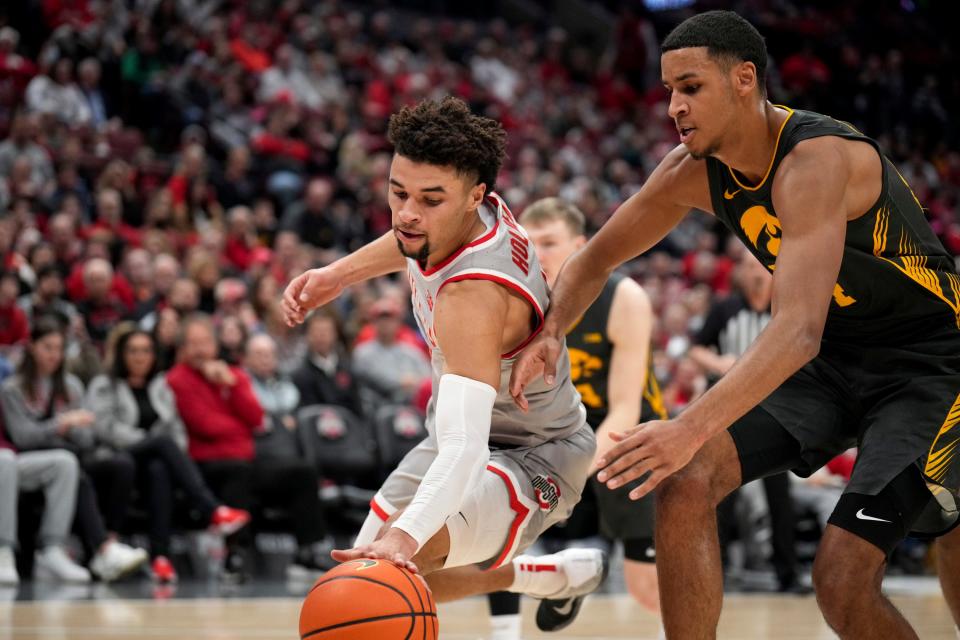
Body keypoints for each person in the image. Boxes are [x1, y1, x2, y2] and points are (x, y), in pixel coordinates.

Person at [510, 11, 960, 639]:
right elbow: (594, 258)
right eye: (668, 90)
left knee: (844, 577)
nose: (673, 107)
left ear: (744, 78)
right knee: (685, 478)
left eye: (690, 88)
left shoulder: (815, 160)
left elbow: (797, 330)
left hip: (930, 367)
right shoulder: (690, 170)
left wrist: (688, 427)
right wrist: (553, 328)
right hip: (834, 361)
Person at [282, 97, 606, 629]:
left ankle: (544, 572)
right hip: (457, 433)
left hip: (537, 454)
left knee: (387, 577)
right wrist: (337, 276)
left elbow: (466, 450)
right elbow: (411, 238)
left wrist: (407, 541)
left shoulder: (472, 296)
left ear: (474, 195)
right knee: (360, 572)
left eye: (430, 199)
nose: (408, 211)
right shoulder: (461, 217)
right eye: (398, 191)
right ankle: (550, 576)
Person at [484, 197, 666, 637]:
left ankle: (672, 627)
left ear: (582, 246)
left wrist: (569, 469)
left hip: (628, 440)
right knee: (491, 511)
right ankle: (507, 629)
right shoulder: (514, 305)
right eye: (530, 242)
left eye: (550, 242)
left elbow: (624, 406)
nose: (538, 252)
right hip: (551, 433)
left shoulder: (623, 296)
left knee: (645, 586)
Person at [166, 315, 331, 581]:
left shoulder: (234, 375)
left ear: (215, 344)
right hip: (205, 465)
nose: (200, 350)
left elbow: (256, 419)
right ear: (182, 348)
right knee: (237, 471)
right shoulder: (177, 379)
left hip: (244, 458)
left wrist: (229, 385)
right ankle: (235, 554)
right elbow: (204, 425)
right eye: (193, 343)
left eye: (205, 342)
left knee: (302, 472)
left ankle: (307, 551)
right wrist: (239, 429)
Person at [86, 327, 250, 583]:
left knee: (160, 470)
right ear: (121, 355)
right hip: (117, 457)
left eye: (146, 351)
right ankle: (212, 510)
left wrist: (165, 447)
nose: (140, 357)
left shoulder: (160, 385)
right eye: (133, 351)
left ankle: (160, 559)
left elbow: (176, 427)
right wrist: (148, 440)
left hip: (151, 460)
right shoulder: (105, 384)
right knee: (161, 444)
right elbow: (104, 428)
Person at [689, 251, 808, 593]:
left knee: (779, 497)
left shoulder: (787, 309)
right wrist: (718, 361)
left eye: (762, 265)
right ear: (740, 272)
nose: (757, 273)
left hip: (774, 413)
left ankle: (788, 574)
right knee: (721, 493)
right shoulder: (725, 309)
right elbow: (696, 349)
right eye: (750, 266)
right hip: (728, 413)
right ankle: (719, 571)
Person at [0, 317, 148, 581]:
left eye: (59, 348)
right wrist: (61, 424)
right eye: (48, 347)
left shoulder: (71, 386)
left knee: (115, 464)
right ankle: (100, 549)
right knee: (55, 466)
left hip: (70, 456)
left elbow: (86, 439)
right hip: (26, 458)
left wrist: (77, 428)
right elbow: (23, 437)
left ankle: (93, 545)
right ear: (32, 347)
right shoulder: (12, 389)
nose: (54, 355)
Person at [0, 422, 90, 584]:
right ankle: (3, 550)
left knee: (64, 462)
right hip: (5, 459)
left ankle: (53, 550)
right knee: (5, 459)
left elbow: (22, 433)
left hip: (11, 457)